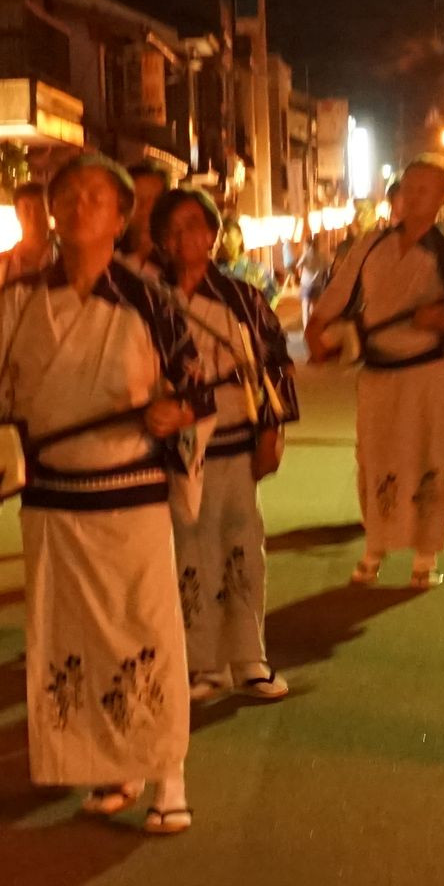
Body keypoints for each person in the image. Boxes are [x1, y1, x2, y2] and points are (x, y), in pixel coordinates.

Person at [0, 153, 209, 832]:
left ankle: (168, 773)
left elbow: (196, 388)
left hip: (129, 490)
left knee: (145, 627)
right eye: (69, 194)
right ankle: (111, 764)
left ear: (122, 219)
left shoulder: (150, 298)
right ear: (52, 213)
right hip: (53, 494)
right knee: (71, 635)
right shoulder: (19, 297)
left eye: (98, 195)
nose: (81, 203)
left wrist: (173, 413)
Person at [306, 160, 444, 589]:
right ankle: (375, 548)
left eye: (425, 190)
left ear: (442, 198)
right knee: (373, 456)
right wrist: (316, 326)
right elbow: (340, 289)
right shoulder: (372, 243)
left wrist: (440, 321)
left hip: (426, 372)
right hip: (378, 370)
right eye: (409, 188)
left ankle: (425, 556)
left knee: (428, 458)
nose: (414, 197)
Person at [156, 188, 299, 702]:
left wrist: (272, 431)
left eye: (194, 226)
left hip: (237, 435)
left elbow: (276, 365)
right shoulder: (151, 301)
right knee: (188, 549)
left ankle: (249, 657)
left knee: (241, 543)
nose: (184, 238)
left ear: (213, 235)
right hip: (179, 447)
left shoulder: (242, 297)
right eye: (172, 230)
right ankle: (203, 662)